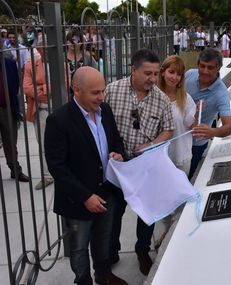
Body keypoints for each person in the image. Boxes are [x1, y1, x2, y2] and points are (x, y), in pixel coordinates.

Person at [44, 66, 128, 285]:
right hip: (78, 199)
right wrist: (84, 196)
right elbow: (57, 166)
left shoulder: (105, 110)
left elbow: (116, 140)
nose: (101, 97)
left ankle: (103, 274)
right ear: (76, 90)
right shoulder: (59, 120)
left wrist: (119, 154)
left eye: (102, 91)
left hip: (106, 191)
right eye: (95, 93)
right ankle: (83, 280)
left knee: (103, 238)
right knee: (79, 247)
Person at [105, 48, 174, 275]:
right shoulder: (112, 92)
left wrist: (150, 145)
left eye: (156, 74)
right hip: (118, 166)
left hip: (146, 166)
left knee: (147, 214)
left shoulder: (161, 99)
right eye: (148, 74)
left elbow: (168, 130)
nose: (153, 79)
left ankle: (142, 251)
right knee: (114, 211)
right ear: (133, 70)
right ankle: (111, 251)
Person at [185, 48, 231, 179]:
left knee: (184, 181)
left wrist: (212, 132)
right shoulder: (189, 74)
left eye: (210, 67)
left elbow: (229, 127)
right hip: (175, 137)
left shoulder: (221, 93)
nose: (205, 71)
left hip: (195, 146)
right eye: (202, 66)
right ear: (198, 64)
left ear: (218, 68)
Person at [23, 36, 57, 190]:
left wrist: (42, 88)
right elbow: (27, 89)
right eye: (45, 47)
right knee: (43, 144)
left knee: (64, 141)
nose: (48, 50)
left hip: (58, 107)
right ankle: (47, 175)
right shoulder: (30, 65)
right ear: (39, 49)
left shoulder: (60, 64)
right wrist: (47, 89)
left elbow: (65, 82)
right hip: (41, 109)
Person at [158, 55, 197, 175]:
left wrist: (198, 114)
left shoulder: (185, 98)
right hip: (159, 159)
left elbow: (192, 126)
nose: (174, 77)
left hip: (180, 156)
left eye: (178, 74)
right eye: (171, 72)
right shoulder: (154, 96)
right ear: (163, 72)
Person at [0, 46, 29, 182]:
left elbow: (17, 87)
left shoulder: (10, 65)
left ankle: (15, 170)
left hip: (7, 108)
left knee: (10, 141)